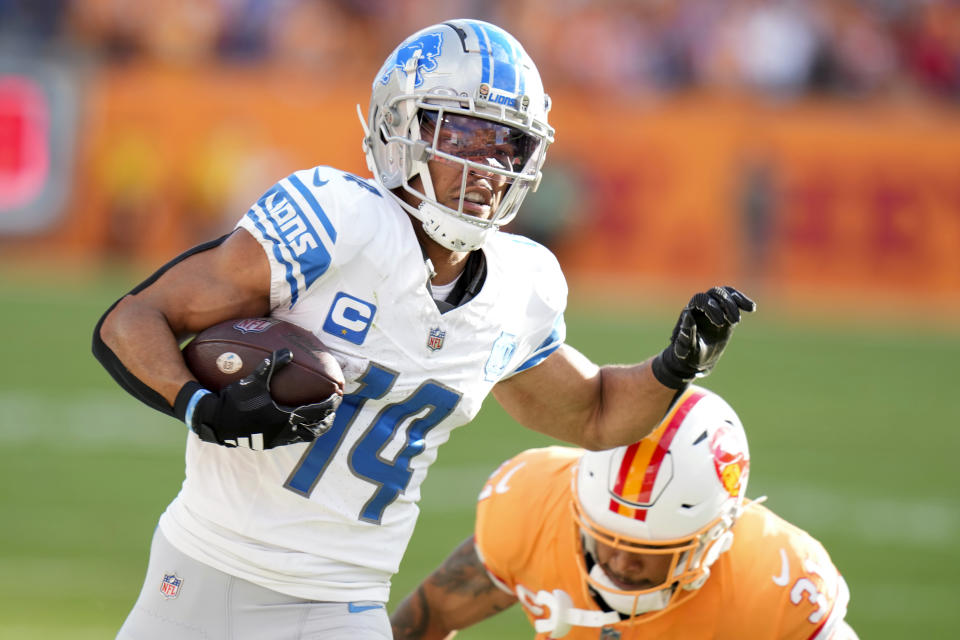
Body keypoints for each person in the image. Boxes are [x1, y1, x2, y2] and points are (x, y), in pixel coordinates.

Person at [91, 18, 755, 640]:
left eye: (508, 143)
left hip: (343, 603)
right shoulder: (338, 221)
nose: (489, 166)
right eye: (465, 135)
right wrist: (199, 405)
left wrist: (674, 366)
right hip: (201, 565)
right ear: (400, 127)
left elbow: (597, 414)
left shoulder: (520, 285)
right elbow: (133, 320)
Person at [390, 385, 857, 640]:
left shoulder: (778, 583)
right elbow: (430, 616)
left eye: (647, 549)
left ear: (715, 535)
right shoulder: (534, 507)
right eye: (605, 536)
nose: (619, 560)